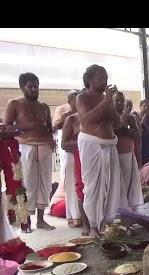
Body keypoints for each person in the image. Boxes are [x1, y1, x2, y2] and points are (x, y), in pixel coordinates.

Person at [75, 65, 125, 237]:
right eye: (100, 79)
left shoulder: (107, 98)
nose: (105, 82)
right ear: (90, 80)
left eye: (106, 79)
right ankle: (93, 227)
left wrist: (118, 108)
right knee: (93, 186)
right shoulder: (82, 98)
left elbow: (116, 124)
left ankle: (105, 224)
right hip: (92, 145)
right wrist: (106, 101)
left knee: (111, 186)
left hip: (110, 146)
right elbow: (87, 119)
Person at [3, 73, 56, 232]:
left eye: (36, 86)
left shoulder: (44, 107)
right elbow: (7, 127)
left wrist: (51, 136)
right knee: (26, 185)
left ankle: (41, 220)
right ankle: (26, 222)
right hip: (25, 146)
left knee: (45, 184)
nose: (34, 89)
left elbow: (48, 127)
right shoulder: (14, 103)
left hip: (45, 147)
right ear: (22, 87)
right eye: (30, 86)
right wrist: (25, 129)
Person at [60, 99, 90, 235]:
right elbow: (64, 144)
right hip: (77, 157)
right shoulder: (71, 120)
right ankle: (85, 224)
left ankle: (97, 222)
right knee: (81, 190)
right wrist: (83, 144)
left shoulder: (93, 117)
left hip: (94, 157)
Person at [113, 92, 143, 208]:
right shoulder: (110, 117)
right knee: (118, 186)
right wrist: (121, 123)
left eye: (122, 101)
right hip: (115, 155)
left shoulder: (130, 118)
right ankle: (118, 211)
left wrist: (126, 128)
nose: (120, 103)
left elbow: (138, 136)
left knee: (130, 185)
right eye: (117, 101)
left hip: (129, 156)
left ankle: (131, 211)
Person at [135, 99, 149, 165]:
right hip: (137, 144)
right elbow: (137, 131)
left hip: (147, 144)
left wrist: (145, 124)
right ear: (140, 106)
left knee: (146, 163)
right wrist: (142, 122)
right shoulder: (134, 116)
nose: (146, 108)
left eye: (148, 106)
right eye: (144, 106)